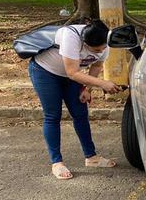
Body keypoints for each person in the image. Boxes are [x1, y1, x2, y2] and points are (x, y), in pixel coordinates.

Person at [28, 19, 121, 180]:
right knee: (53, 115)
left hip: (71, 76)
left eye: (103, 47)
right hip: (46, 72)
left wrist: (87, 89)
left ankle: (91, 157)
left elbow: (96, 66)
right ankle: (57, 162)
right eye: (96, 49)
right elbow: (72, 72)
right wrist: (103, 84)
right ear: (84, 43)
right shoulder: (70, 36)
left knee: (80, 113)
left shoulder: (104, 40)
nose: (101, 51)